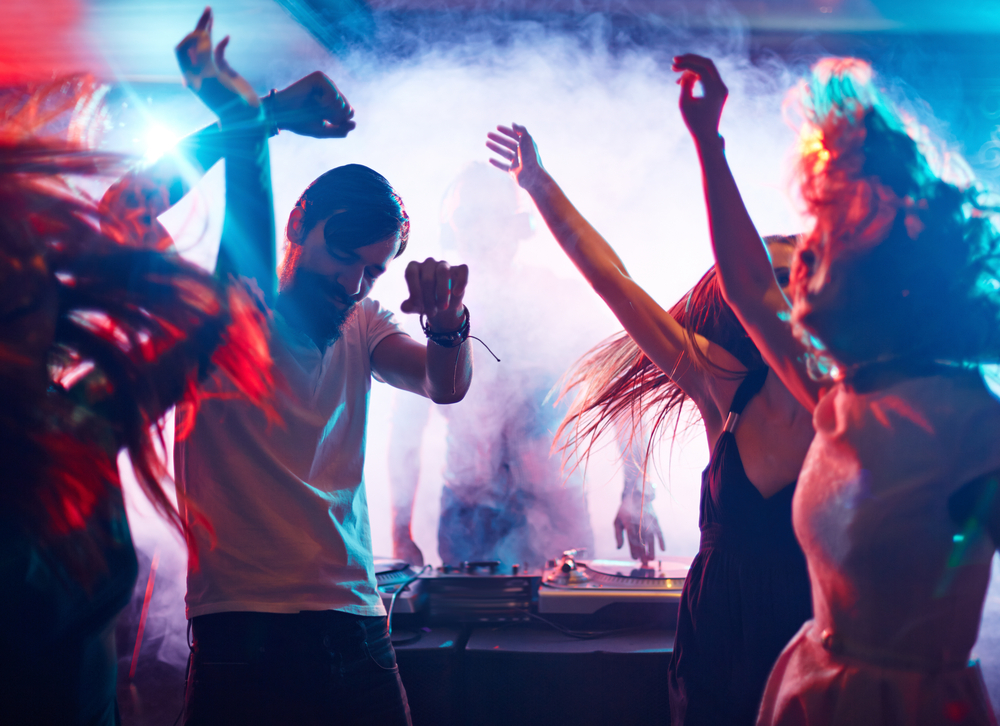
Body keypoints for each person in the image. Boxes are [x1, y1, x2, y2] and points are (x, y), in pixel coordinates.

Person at [123, 11, 473, 726]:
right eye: (343, 256)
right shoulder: (215, 311)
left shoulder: (364, 324)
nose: (354, 283)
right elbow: (127, 209)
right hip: (241, 629)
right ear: (298, 226)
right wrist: (259, 119)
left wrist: (447, 326)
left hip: (354, 625)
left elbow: (445, 385)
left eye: (374, 271)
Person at [673, 52, 1000, 725]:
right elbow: (746, 286)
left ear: (890, 280)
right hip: (809, 689)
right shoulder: (841, 395)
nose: (803, 261)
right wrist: (708, 142)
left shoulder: (969, 422)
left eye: (825, 244)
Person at [486, 124, 814, 724]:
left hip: (812, 630)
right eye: (773, 278)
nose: (782, 292)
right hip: (716, 633)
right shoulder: (722, 389)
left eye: (794, 278)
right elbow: (615, 278)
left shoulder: (849, 403)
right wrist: (538, 183)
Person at [0, 20, 275, 725]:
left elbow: (235, 310)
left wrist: (242, 126)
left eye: (32, 260)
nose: (30, 274)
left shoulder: (76, 424)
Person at [388, 162, 594, 570]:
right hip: (469, 514)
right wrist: (399, 530)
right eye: (471, 217)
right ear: (453, 230)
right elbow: (406, 429)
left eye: (496, 216)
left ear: (520, 225)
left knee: (568, 626)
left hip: (558, 509)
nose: (485, 230)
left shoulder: (562, 302)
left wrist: (639, 499)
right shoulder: (429, 308)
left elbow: (620, 390)